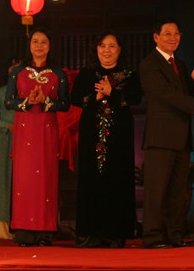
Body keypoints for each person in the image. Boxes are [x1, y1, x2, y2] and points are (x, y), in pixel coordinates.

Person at [139, 19, 194, 249]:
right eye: (167, 34)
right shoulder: (149, 64)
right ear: (156, 37)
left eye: (177, 34)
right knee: (156, 190)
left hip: (182, 137)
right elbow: (167, 95)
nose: (173, 38)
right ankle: (152, 237)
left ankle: (174, 235)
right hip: (160, 137)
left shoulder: (179, 64)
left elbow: (183, 94)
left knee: (178, 191)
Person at [71, 31, 142, 248]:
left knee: (117, 178)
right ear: (96, 50)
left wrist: (113, 93)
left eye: (112, 46)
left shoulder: (129, 74)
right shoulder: (86, 74)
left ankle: (115, 234)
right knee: (91, 179)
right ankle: (90, 233)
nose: (107, 51)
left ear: (119, 50)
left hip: (119, 135)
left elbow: (136, 99)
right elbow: (75, 99)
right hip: (91, 135)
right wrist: (97, 97)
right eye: (102, 46)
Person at [5, 28, 70, 247]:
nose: (39, 45)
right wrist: (27, 102)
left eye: (43, 41)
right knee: (24, 179)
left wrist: (46, 101)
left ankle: (45, 232)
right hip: (24, 131)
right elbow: (8, 102)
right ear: (30, 45)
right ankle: (23, 230)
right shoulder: (18, 72)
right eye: (35, 41)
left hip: (46, 131)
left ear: (50, 46)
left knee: (45, 178)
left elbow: (65, 104)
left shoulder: (58, 74)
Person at [0, 57, 21, 240]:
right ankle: (3, 229)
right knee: (3, 179)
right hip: (5, 139)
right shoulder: (0, 93)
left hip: (26, 140)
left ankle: (24, 226)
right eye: (12, 71)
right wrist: (7, 126)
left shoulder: (28, 93)